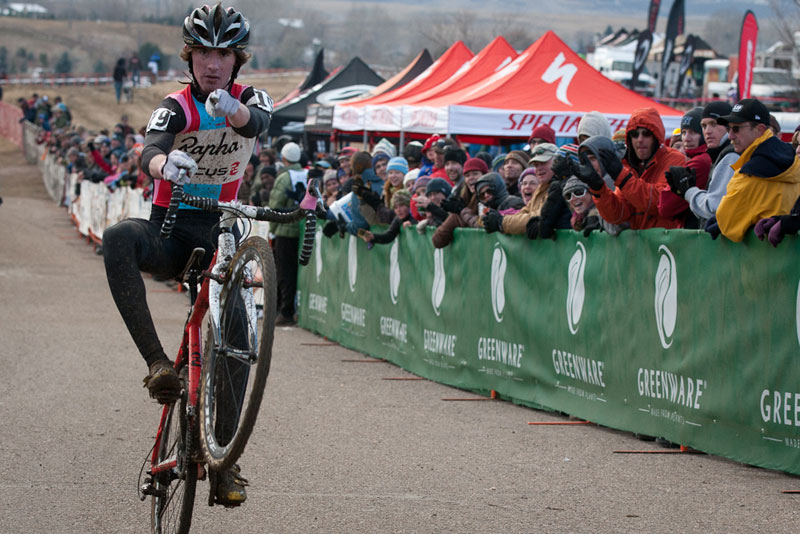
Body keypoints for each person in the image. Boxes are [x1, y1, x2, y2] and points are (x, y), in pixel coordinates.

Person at [101, 3, 272, 506]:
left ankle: (223, 460)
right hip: (172, 232)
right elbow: (150, 145)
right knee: (116, 238)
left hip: (223, 234)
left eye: (222, 53)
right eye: (203, 52)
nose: (212, 63)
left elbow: (255, 122)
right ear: (190, 56)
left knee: (239, 340)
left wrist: (233, 111)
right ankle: (159, 367)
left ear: (236, 58)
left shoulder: (247, 96)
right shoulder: (175, 105)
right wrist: (161, 164)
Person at [577, 107, 686, 230]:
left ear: (656, 137)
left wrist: (622, 178)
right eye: (634, 135)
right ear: (629, 138)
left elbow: (659, 201)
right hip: (640, 245)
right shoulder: (629, 167)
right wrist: (598, 189)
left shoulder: (675, 160)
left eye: (646, 134)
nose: (640, 140)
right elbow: (618, 215)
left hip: (668, 246)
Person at [708, 98, 800, 242]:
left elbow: (727, 224)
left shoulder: (749, 174)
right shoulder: (794, 158)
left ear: (760, 129)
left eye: (736, 128)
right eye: (728, 129)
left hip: (762, 258)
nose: (730, 136)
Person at [677, 102, 738, 225]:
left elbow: (713, 208)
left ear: (729, 126)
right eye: (704, 126)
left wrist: (689, 191)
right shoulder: (721, 154)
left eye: (714, 124)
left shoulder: (730, 156)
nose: (708, 131)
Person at [270, 142, 306, 325]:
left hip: (285, 231)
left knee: (284, 273)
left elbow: (275, 208)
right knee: (296, 272)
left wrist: (272, 232)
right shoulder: (307, 174)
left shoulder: (284, 178)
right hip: (304, 231)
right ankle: (288, 310)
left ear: (284, 159)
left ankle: (284, 311)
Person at [661, 108, 711, 228]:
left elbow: (665, 206)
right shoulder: (700, 158)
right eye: (684, 133)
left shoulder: (700, 162)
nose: (686, 138)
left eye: (693, 132)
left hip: (695, 232)